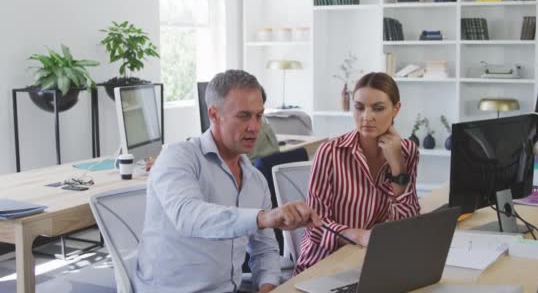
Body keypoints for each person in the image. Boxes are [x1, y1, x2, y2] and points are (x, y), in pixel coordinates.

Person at [135, 69, 321, 293]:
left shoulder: (255, 179)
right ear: (214, 115)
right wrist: (263, 217)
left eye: (259, 115)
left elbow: (265, 251)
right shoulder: (178, 156)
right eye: (244, 116)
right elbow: (189, 216)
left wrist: (268, 287)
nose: (254, 127)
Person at [295, 72, 420, 273]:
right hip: (324, 264)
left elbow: (407, 224)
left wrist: (397, 164)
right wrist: (358, 235)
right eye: (359, 107)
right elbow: (316, 226)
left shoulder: (407, 152)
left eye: (378, 109)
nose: (366, 117)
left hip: (372, 263)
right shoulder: (330, 152)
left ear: (396, 109)